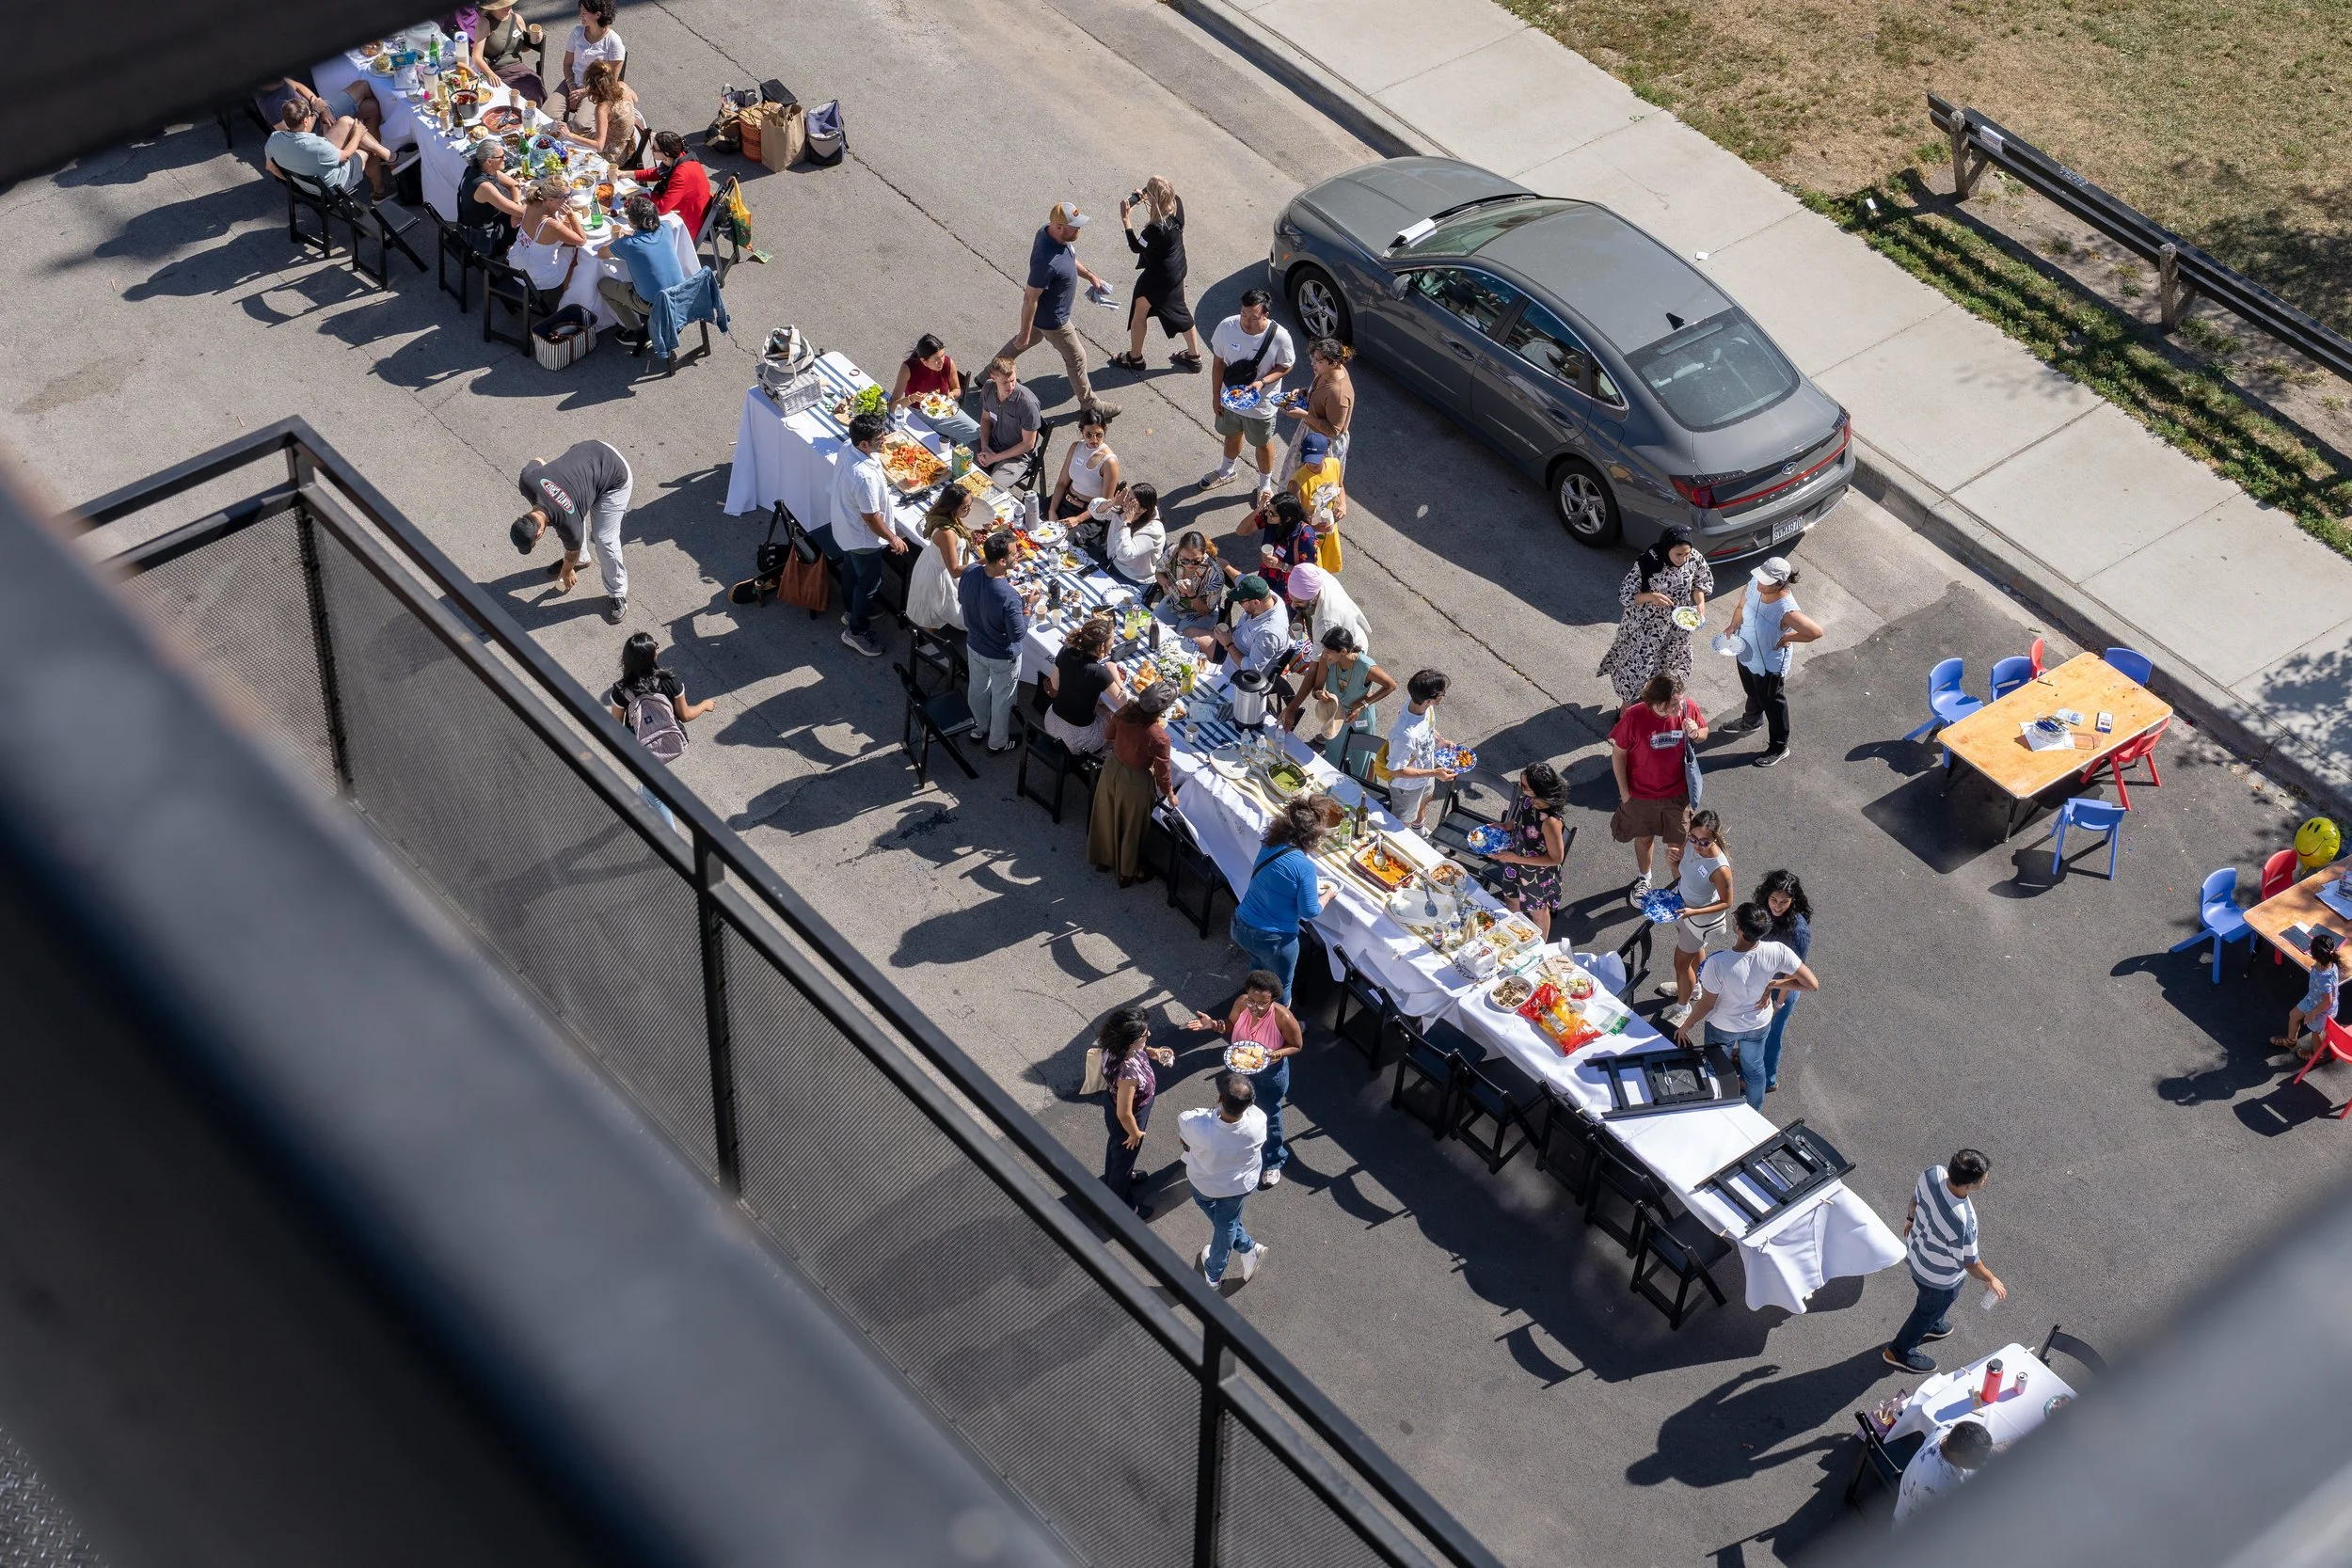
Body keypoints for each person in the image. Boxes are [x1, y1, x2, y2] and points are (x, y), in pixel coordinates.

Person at [1674, 902, 1818, 1109]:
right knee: (1755, 1069)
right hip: (1758, 1024)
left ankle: (1716, 1107)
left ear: (1739, 930)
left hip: (1723, 1027)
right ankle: (1755, 1112)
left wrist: (1686, 1026)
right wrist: (1774, 984)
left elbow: (1706, 1004)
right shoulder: (1778, 950)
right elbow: (1812, 984)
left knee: (1716, 1069)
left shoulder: (1718, 963)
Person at [1886, 1149, 2008, 1373]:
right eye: (1984, 1177)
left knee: (1931, 1306)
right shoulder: (1963, 1220)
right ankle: (1899, 1351)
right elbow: (1970, 1262)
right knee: (1927, 1309)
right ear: (1969, 1185)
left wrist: (1910, 1219)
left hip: (1916, 1253)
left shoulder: (1933, 1174)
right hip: (1938, 1277)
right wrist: (1991, 1279)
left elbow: (1915, 1199)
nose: (1986, 1179)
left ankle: (1932, 1323)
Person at [996, 202, 1118, 420]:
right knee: (1077, 358)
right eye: (1074, 227)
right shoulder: (1046, 261)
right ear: (1059, 226)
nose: (1079, 230)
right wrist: (1025, 331)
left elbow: (1069, 257)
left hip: (1045, 316)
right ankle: (1090, 405)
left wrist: (1090, 276)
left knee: (1022, 343)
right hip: (1054, 321)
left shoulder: (1050, 233)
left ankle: (988, 374)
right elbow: (1030, 297)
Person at [1187, 972, 1305, 1186]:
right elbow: (1230, 1024)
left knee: (1270, 1113)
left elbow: (1296, 1046)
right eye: (1252, 1000)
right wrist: (1213, 1024)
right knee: (1235, 1109)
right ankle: (1237, 1150)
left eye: (1262, 1003)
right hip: (1239, 1069)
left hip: (1270, 1074)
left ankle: (1273, 1161)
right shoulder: (1242, 1003)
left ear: (1273, 1000)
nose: (1254, 1007)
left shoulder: (1283, 1018)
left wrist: (1275, 1054)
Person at [1609, 673, 1707, 903]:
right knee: (1644, 839)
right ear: (1656, 701)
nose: (1679, 707)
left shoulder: (1687, 708)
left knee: (1678, 845)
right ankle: (1644, 879)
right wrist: (1625, 794)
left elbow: (1704, 733)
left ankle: (1680, 889)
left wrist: (1696, 733)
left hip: (1678, 795)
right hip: (1642, 795)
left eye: (1680, 701)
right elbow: (1619, 753)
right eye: (1673, 704)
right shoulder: (1635, 715)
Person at [512, 440, 633, 623]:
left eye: (534, 543)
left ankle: (618, 593)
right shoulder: (528, 481)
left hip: (615, 475)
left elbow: (571, 553)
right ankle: (583, 560)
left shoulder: (567, 524)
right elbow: (538, 460)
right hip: (588, 449)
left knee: (604, 539)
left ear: (538, 534)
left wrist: (566, 572)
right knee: (573, 508)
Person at [1595, 527, 1714, 712]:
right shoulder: (1648, 562)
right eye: (1678, 554)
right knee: (1638, 668)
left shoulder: (1694, 558)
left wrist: (1700, 603)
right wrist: (1651, 597)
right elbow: (1625, 594)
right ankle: (1625, 711)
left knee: (1667, 670)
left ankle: (1651, 706)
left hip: (1676, 630)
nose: (1683, 559)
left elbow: (1700, 583)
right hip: (1646, 628)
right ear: (1666, 548)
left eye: (1686, 554)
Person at [604, 631, 715, 828]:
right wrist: (705, 705)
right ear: (653, 656)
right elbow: (685, 715)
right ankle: (666, 833)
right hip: (670, 739)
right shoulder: (669, 680)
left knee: (654, 793)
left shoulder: (621, 690)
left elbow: (616, 728)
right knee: (653, 790)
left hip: (641, 750)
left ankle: (652, 804)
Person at [1229, 800, 1336, 1004]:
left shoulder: (1269, 846)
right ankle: (1277, 1029)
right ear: (1311, 837)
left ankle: (1252, 1005)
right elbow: (1310, 910)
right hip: (1273, 941)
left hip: (1241, 927)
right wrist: (1328, 895)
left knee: (1258, 968)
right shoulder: (1304, 866)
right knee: (1281, 987)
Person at [1721, 556, 1822, 767]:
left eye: (1764, 582)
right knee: (1752, 690)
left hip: (1769, 664)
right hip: (1746, 652)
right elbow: (1741, 607)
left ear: (1780, 584)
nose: (1758, 583)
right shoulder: (1753, 586)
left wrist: (1787, 637)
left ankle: (1779, 746)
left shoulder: (1786, 609)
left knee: (1772, 704)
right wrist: (1733, 626)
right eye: (1759, 578)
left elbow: (1814, 632)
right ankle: (1752, 721)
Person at [1200, 289, 1295, 504]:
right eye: (1243, 314)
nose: (1246, 321)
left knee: (1262, 443)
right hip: (1230, 399)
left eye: (1253, 317)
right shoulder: (1227, 327)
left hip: (1261, 406)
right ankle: (1226, 471)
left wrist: (1263, 382)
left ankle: (1265, 485)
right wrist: (1216, 396)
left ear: (1265, 315)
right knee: (1232, 434)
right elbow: (1218, 364)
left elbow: (1286, 366)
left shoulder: (1280, 337)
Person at [824, 411, 905, 658]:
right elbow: (871, 518)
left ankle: (851, 610)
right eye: (880, 438)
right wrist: (893, 538)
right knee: (869, 584)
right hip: (862, 537)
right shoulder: (864, 477)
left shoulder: (849, 447)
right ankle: (856, 631)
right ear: (863, 444)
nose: (885, 440)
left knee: (851, 570)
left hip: (845, 529)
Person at [1180, 1075, 1268, 1288]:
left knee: (1221, 1221)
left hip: (1204, 1182)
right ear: (1251, 1103)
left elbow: (1187, 1121)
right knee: (1226, 1223)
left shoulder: (1197, 1125)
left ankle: (1214, 1273)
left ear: (1220, 1098)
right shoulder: (1258, 1121)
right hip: (1239, 1186)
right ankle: (1247, 1247)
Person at [1089, 684, 1181, 886]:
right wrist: (1171, 794)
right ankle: (1127, 873)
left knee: (1106, 814)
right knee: (1132, 828)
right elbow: (1162, 772)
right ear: (1162, 711)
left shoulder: (1126, 711)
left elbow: (1109, 735)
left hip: (1112, 767)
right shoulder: (1159, 737)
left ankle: (1104, 859)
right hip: (1135, 782)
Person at [1109, 176, 1202, 372]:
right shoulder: (1177, 203)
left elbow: (1136, 247)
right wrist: (1144, 194)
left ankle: (1135, 358)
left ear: (1155, 198)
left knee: (1139, 312)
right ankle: (1194, 357)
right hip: (1177, 270)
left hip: (1157, 278)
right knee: (1181, 312)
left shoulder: (1154, 229)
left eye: (1148, 191)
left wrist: (1126, 220)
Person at [957, 530, 1036, 752]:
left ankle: (977, 728)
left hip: (974, 645)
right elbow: (1018, 634)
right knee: (1002, 700)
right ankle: (997, 743)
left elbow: (962, 599)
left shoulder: (971, 571)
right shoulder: (1009, 596)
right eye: (1013, 553)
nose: (1017, 555)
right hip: (1001, 655)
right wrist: (1028, 607)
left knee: (978, 689)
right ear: (1002, 561)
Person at [1096, 1006, 1176, 1218]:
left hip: (1115, 1107)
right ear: (1130, 1040)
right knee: (1124, 1154)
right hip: (1130, 1117)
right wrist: (1134, 1133)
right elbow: (1124, 1112)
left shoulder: (1114, 1046)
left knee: (1117, 1149)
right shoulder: (1128, 1073)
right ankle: (1123, 1205)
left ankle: (1118, 1176)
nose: (1148, 1035)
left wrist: (1154, 1052)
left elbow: (1139, 1050)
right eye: (1143, 1034)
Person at [1279, 627, 1395, 770]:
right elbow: (1316, 688)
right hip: (1336, 715)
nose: (1325, 654)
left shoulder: (1366, 666)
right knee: (1333, 755)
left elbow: (1390, 686)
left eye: (1328, 651)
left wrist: (1363, 704)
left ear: (1343, 651)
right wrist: (1319, 694)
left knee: (1360, 760)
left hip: (1360, 716)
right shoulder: (1326, 660)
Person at [1661, 810, 1735, 1024]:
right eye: (1693, 838)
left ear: (1715, 837)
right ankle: (1694, 988)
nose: (1696, 845)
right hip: (1683, 910)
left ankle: (1683, 1008)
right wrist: (1672, 862)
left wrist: (1694, 912)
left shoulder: (1720, 869)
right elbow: (1684, 874)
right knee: (1695, 951)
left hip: (1696, 919)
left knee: (1681, 964)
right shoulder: (1690, 844)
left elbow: (1727, 902)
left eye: (1704, 842)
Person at [1485, 764, 1570, 939]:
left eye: (1525, 786)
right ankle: (1511, 936)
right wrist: (1503, 826)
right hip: (1515, 862)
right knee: (1511, 898)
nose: (1521, 788)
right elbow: (1519, 821)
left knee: (1537, 912)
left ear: (1538, 790)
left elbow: (1556, 859)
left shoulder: (1551, 822)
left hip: (1536, 874)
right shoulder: (1527, 801)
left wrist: (1516, 858)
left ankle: (1540, 946)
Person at [264, 95, 391, 200]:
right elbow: (346, 156)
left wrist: (295, 182)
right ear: (305, 122)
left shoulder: (274, 138)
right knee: (367, 146)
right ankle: (379, 191)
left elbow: (270, 167)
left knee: (346, 121)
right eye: (310, 116)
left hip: (310, 181)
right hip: (337, 183)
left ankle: (388, 156)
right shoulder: (317, 145)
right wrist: (357, 135)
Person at [598, 194, 686, 346]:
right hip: (680, 296)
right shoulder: (665, 227)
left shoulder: (627, 245)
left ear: (631, 222)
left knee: (603, 285)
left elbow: (601, 253)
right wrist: (633, 235)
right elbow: (669, 223)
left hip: (653, 304)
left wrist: (620, 240)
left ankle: (635, 331)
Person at [1756, 870, 1813, 1093]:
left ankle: (1768, 1079)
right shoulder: (1763, 914)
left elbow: (1794, 974)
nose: (1777, 906)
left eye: (1784, 902)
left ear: (1793, 901)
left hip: (1782, 989)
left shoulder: (1797, 930)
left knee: (1772, 1033)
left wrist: (1778, 1004)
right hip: (1763, 982)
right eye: (1773, 900)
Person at [1383, 670, 1457, 831]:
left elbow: (1427, 727)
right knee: (1402, 823)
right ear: (1430, 699)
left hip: (1425, 772)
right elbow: (1396, 771)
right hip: (1407, 786)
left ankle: (1419, 830)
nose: (1443, 696)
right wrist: (1435, 773)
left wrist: (1440, 740)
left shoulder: (1419, 704)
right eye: (1442, 694)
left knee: (1424, 801)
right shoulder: (1405, 736)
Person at [1043, 617, 1126, 754]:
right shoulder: (1100, 673)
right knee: (1115, 717)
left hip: (1051, 721)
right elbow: (1122, 703)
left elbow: (1055, 685)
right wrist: (1114, 673)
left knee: (1100, 704)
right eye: (1112, 638)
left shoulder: (1066, 650)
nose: (1114, 641)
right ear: (1102, 646)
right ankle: (1104, 755)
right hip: (1076, 740)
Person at [1278, 338, 1355, 482]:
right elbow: (1319, 392)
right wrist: (1304, 392)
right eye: (1312, 358)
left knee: (1311, 485)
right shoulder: (1326, 372)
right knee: (1294, 478)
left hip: (1323, 444)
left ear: (1333, 363)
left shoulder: (1338, 394)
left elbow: (1333, 430)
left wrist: (1304, 415)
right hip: (1310, 430)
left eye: (1318, 361)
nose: (1312, 363)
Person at [1894, 1420, 1994, 1527]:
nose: (1984, 1461)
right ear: (1959, 1456)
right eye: (1979, 1460)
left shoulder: (1947, 1430)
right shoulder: (1938, 1486)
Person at [905, 487, 976, 634]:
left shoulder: (945, 517)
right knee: (932, 614)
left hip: (933, 564)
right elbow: (955, 571)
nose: (969, 510)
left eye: (970, 504)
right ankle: (926, 643)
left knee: (933, 610)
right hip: (939, 577)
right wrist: (983, 563)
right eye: (965, 507)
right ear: (952, 507)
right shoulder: (946, 533)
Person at [890, 333, 980, 445]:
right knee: (919, 446)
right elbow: (893, 407)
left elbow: (957, 389)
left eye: (942, 355)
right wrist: (911, 399)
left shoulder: (948, 362)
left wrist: (952, 395)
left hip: (944, 411)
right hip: (916, 414)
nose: (942, 361)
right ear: (924, 361)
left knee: (977, 432)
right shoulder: (908, 368)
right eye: (936, 359)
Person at [506, 172, 588, 294]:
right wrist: (571, 215)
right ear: (550, 199)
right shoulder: (551, 224)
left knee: (561, 244)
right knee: (579, 252)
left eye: (569, 194)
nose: (569, 199)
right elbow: (582, 240)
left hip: (517, 265)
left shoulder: (532, 202)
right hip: (538, 277)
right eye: (565, 196)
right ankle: (569, 295)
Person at [2274, 928, 2348, 1058]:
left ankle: (2317, 1056)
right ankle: (2291, 1042)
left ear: (2316, 956)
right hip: (2312, 999)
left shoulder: (2324, 978)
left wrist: (2312, 1013)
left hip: (2322, 1010)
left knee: (2316, 1033)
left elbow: (2327, 1001)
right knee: (2294, 1015)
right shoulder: (2328, 962)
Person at [1194, 574, 1288, 675]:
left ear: (1256, 602)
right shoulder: (1266, 595)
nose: (1240, 604)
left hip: (1236, 670)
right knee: (1188, 633)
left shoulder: (1268, 634)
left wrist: (1229, 644)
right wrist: (1226, 566)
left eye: (1241, 601)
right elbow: (1242, 579)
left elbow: (1251, 669)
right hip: (1230, 643)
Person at [554, 0, 626, 129]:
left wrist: (584, 91)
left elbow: (612, 80)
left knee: (580, 125)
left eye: (584, 12)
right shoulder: (577, 32)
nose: (580, 16)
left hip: (597, 90)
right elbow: (567, 64)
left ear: (597, 15)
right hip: (572, 83)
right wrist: (572, 87)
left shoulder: (613, 42)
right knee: (547, 114)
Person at [1235, 491, 1317, 601]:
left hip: (1288, 591)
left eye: (1272, 513)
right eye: (1268, 508)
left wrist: (1281, 565)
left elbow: (1308, 573)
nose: (1267, 513)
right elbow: (1241, 531)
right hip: (1266, 579)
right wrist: (1259, 509)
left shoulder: (1305, 537)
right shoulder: (1269, 518)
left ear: (1287, 519)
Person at [630, 131, 711, 237]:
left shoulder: (681, 175)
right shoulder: (680, 157)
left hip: (689, 223)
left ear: (666, 154)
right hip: (694, 208)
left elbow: (662, 208)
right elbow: (657, 173)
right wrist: (627, 174)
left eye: (654, 148)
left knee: (640, 222)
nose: (651, 150)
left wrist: (651, 194)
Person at [454, 138, 527, 257]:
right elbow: (523, 212)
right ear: (489, 161)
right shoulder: (484, 187)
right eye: (501, 157)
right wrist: (536, 199)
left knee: (519, 217)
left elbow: (514, 184)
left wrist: (516, 207)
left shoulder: (481, 168)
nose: (506, 159)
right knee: (529, 223)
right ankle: (516, 258)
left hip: (485, 222)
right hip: (487, 238)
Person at [975, 357, 1042, 481]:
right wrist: (985, 447)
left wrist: (994, 458)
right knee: (959, 460)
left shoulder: (1027, 404)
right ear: (993, 378)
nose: (1010, 386)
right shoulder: (988, 388)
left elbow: (1028, 444)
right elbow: (986, 419)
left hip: (1016, 456)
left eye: (1013, 380)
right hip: (992, 443)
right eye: (1005, 382)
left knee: (993, 488)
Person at [560, 58, 641, 162]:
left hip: (613, 154)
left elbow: (599, 146)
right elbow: (635, 99)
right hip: (628, 145)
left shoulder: (603, 108)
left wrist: (569, 135)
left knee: (566, 142)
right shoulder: (622, 86)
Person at [467, 0, 547, 103]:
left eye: (509, 4)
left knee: (536, 83)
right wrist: (490, 74)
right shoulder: (485, 23)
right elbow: (476, 56)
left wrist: (533, 40)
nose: (508, 7)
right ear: (492, 7)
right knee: (515, 95)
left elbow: (523, 49)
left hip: (517, 67)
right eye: (503, 6)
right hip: (496, 70)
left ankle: (533, 115)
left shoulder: (517, 19)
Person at [1290, 431, 1347, 572]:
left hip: (1329, 526)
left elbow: (1340, 486)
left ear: (1326, 452)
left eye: (1316, 459)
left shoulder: (1334, 464)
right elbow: (1294, 519)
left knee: (1326, 568)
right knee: (1314, 571)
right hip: (1309, 533)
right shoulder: (1296, 483)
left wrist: (1343, 505)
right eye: (1308, 459)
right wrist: (1315, 528)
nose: (1312, 464)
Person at [1283, 563, 1370, 657]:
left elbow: (1317, 661)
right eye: (1291, 598)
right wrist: (1299, 616)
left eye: (1298, 602)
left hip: (1348, 652)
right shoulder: (1315, 575)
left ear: (1313, 598)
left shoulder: (1325, 622)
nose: (1292, 605)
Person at [1049, 410, 1120, 522]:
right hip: (1065, 500)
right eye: (1088, 435)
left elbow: (1105, 502)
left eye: (1099, 434)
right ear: (1082, 432)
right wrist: (1052, 511)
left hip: (1089, 513)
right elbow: (1062, 483)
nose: (1094, 439)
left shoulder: (1109, 462)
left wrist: (1078, 519)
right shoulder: (1075, 447)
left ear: (1105, 430)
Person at [1157, 531, 1224, 635]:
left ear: (1204, 554)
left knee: (1179, 641)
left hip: (1199, 614)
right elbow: (1159, 571)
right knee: (1152, 629)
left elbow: (1205, 611)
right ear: (1179, 551)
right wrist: (1163, 581)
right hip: (1173, 602)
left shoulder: (1215, 575)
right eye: (1184, 560)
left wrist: (1192, 594)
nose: (1190, 565)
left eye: (1196, 561)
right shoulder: (1172, 552)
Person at [1100, 483, 1165, 585]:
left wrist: (1126, 523)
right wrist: (1111, 503)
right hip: (1110, 563)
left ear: (1142, 509)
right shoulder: (1124, 508)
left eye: (1131, 500)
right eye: (1127, 496)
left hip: (1132, 578)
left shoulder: (1154, 531)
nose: (1125, 501)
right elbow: (1095, 511)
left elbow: (1124, 554)